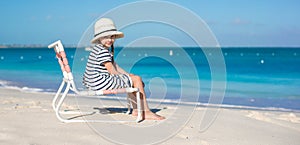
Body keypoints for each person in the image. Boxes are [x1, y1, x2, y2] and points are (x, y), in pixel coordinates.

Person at [83, 18, 164, 120]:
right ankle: (146, 111)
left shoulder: (98, 49)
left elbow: (115, 66)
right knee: (137, 79)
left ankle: (136, 110)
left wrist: (128, 75)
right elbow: (112, 70)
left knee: (134, 78)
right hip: (100, 82)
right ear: (99, 38)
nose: (110, 40)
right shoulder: (102, 51)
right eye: (106, 37)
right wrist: (129, 78)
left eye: (112, 37)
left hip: (93, 81)